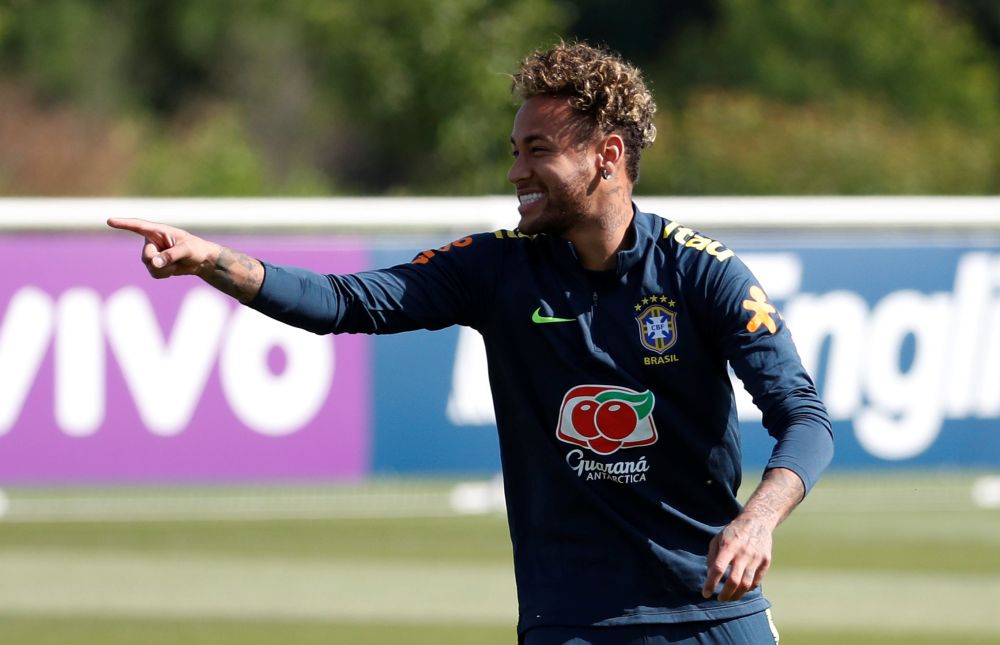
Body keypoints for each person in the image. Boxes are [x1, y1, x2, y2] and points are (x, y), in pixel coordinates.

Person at [108, 41, 833, 645]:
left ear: (607, 155)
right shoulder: (495, 269)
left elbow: (803, 416)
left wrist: (757, 519)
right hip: (572, 619)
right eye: (514, 149)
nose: (516, 171)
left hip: (712, 613)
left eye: (538, 150)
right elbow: (343, 303)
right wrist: (215, 262)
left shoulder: (700, 270)